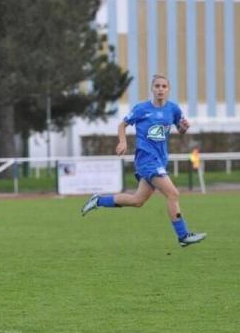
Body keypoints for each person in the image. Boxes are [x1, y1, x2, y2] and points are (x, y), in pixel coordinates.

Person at [81, 74, 207, 247]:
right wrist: (123, 141)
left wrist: (184, 128)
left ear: (168, 89)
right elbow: (122, 125)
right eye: (157, 86)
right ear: (152, 89)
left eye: (164, 86)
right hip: (146, 160)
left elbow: (180, 128)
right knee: (173, 194)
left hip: (160, 160)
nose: (160, 89)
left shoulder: (174, 109)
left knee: (137, 201)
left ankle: (98, 200)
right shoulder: (141, 109)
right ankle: (183, 236)